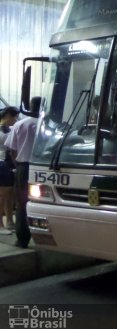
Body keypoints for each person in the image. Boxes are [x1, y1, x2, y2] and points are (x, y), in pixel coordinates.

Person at [5, 97, 41, 248]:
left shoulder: (20, 125)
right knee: (41, 203)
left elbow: (12, 150)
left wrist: (17, 165)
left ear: (30, 107)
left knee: (21, 203)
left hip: (23, 167)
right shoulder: (47, 126)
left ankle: (22, 239)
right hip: (42, 168)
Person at [0, 106, 19, 234]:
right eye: (14, 117)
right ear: (7, 116)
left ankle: (10, 222)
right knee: (3, 194)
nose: (16, 120)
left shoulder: (9, 129)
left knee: (10, 193)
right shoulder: (2, 129)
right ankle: (0, 225)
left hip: (9, 162)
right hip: (2, 162)